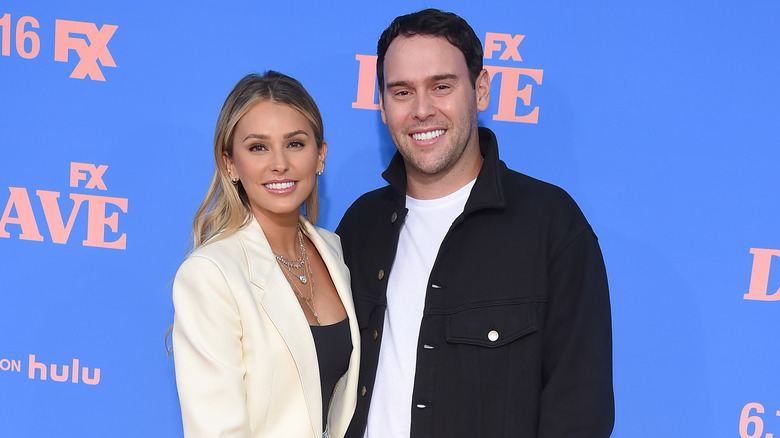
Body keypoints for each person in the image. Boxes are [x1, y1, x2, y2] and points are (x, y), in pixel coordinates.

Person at [336, 9, 614, 438]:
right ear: (383, 103)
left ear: (480, 90)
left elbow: (580, 411)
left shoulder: (551, 226)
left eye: (441, 86)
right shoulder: (359, 226)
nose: (422, 110)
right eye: (402, 91)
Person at [172, 71, 360, 438]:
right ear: (230, 164)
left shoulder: (333, 251)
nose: (279, 164)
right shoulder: (211, 275)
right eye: (258, 147)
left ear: (320, 156)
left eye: (295, 144)